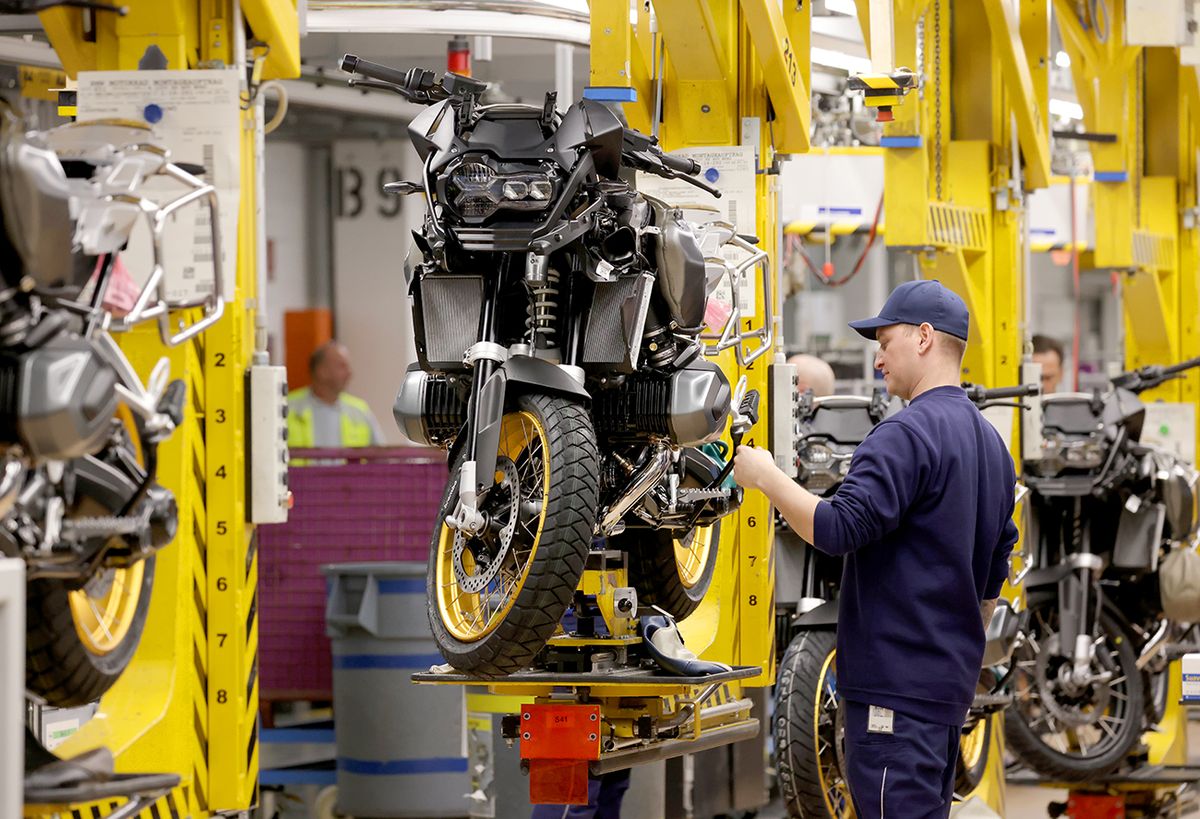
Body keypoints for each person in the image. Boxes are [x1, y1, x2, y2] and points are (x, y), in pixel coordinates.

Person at [733, 280, 1018, 819]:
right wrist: (951, 650)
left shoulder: (905, 435)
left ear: (925, 338)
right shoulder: (991, 444)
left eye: (885, 342)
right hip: (944, 693)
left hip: (894, 693)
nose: (879, 359)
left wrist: (766, 476)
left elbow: (838, 528)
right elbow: (993, 573)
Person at [287, 341, 384, 448]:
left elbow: (380, 458)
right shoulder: (288, 408)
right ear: (322, 371)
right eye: (342, 366)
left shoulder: (360, 411)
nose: (349, 372)